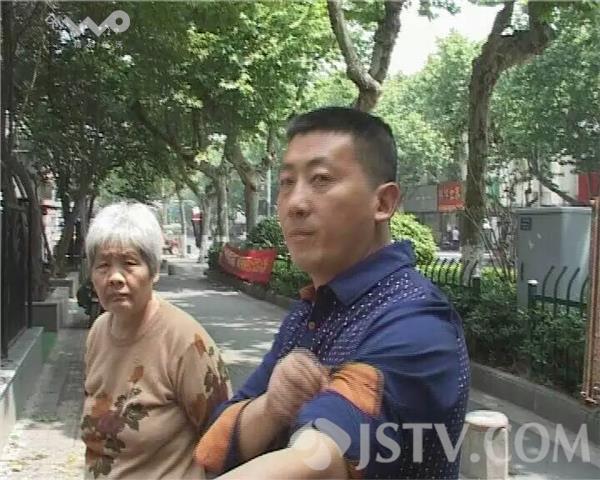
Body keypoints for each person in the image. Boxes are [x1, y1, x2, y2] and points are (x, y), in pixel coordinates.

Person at [195, 107, 470, 479]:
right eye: (287, 182)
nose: (295, 203)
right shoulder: (309, 312)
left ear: (383, 203)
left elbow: (319, 459)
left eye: (321, 179)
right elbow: (213, 448)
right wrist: (272, 406)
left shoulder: (417, 323)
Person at [80, 202, 231, 479]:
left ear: (154, 270)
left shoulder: (187, 342)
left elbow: (225, 439)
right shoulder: (98, 332)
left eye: (129, 263)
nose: (115, 277)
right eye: (103, 265)